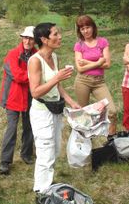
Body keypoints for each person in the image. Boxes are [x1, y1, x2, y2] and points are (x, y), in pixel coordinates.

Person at [28, 22, 80, 193]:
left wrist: (71, 101)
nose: (60, 37)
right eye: (55, 34)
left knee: (55, 149)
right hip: (42, 113)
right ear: (44, 39)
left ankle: (47, 184)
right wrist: (56, 78)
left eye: (59, 33)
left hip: (55, 110)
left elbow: (57, 87)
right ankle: (41, 192)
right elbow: (35, 92)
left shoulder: (54, 57)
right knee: (45, 153)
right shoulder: (35, 61)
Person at [0, 26, 37, 175]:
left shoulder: (36, 54)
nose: (27, 41)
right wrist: (34, 74)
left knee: (29, 127)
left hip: (30, 96)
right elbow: (18, 76)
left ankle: (26, 154)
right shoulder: (12, 54)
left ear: (35, 40)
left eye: (31, 38)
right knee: (11, 129)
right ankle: (5, 162)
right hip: (12, 98)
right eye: (25, 37)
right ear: (22, 38)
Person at [73, 15, 117, 138]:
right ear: (79, 31)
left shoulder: (103, 42)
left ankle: (111, 139)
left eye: (88, 27)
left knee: (112, 111)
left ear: (93, 27)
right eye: (82, 29)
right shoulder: (79, 45)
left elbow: (107, 64)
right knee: (83, 113)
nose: (85, 31)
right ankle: (84, 139)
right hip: (83, 81)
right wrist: (98, 63)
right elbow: (80, 68)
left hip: (99, 82)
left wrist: (87, 62)